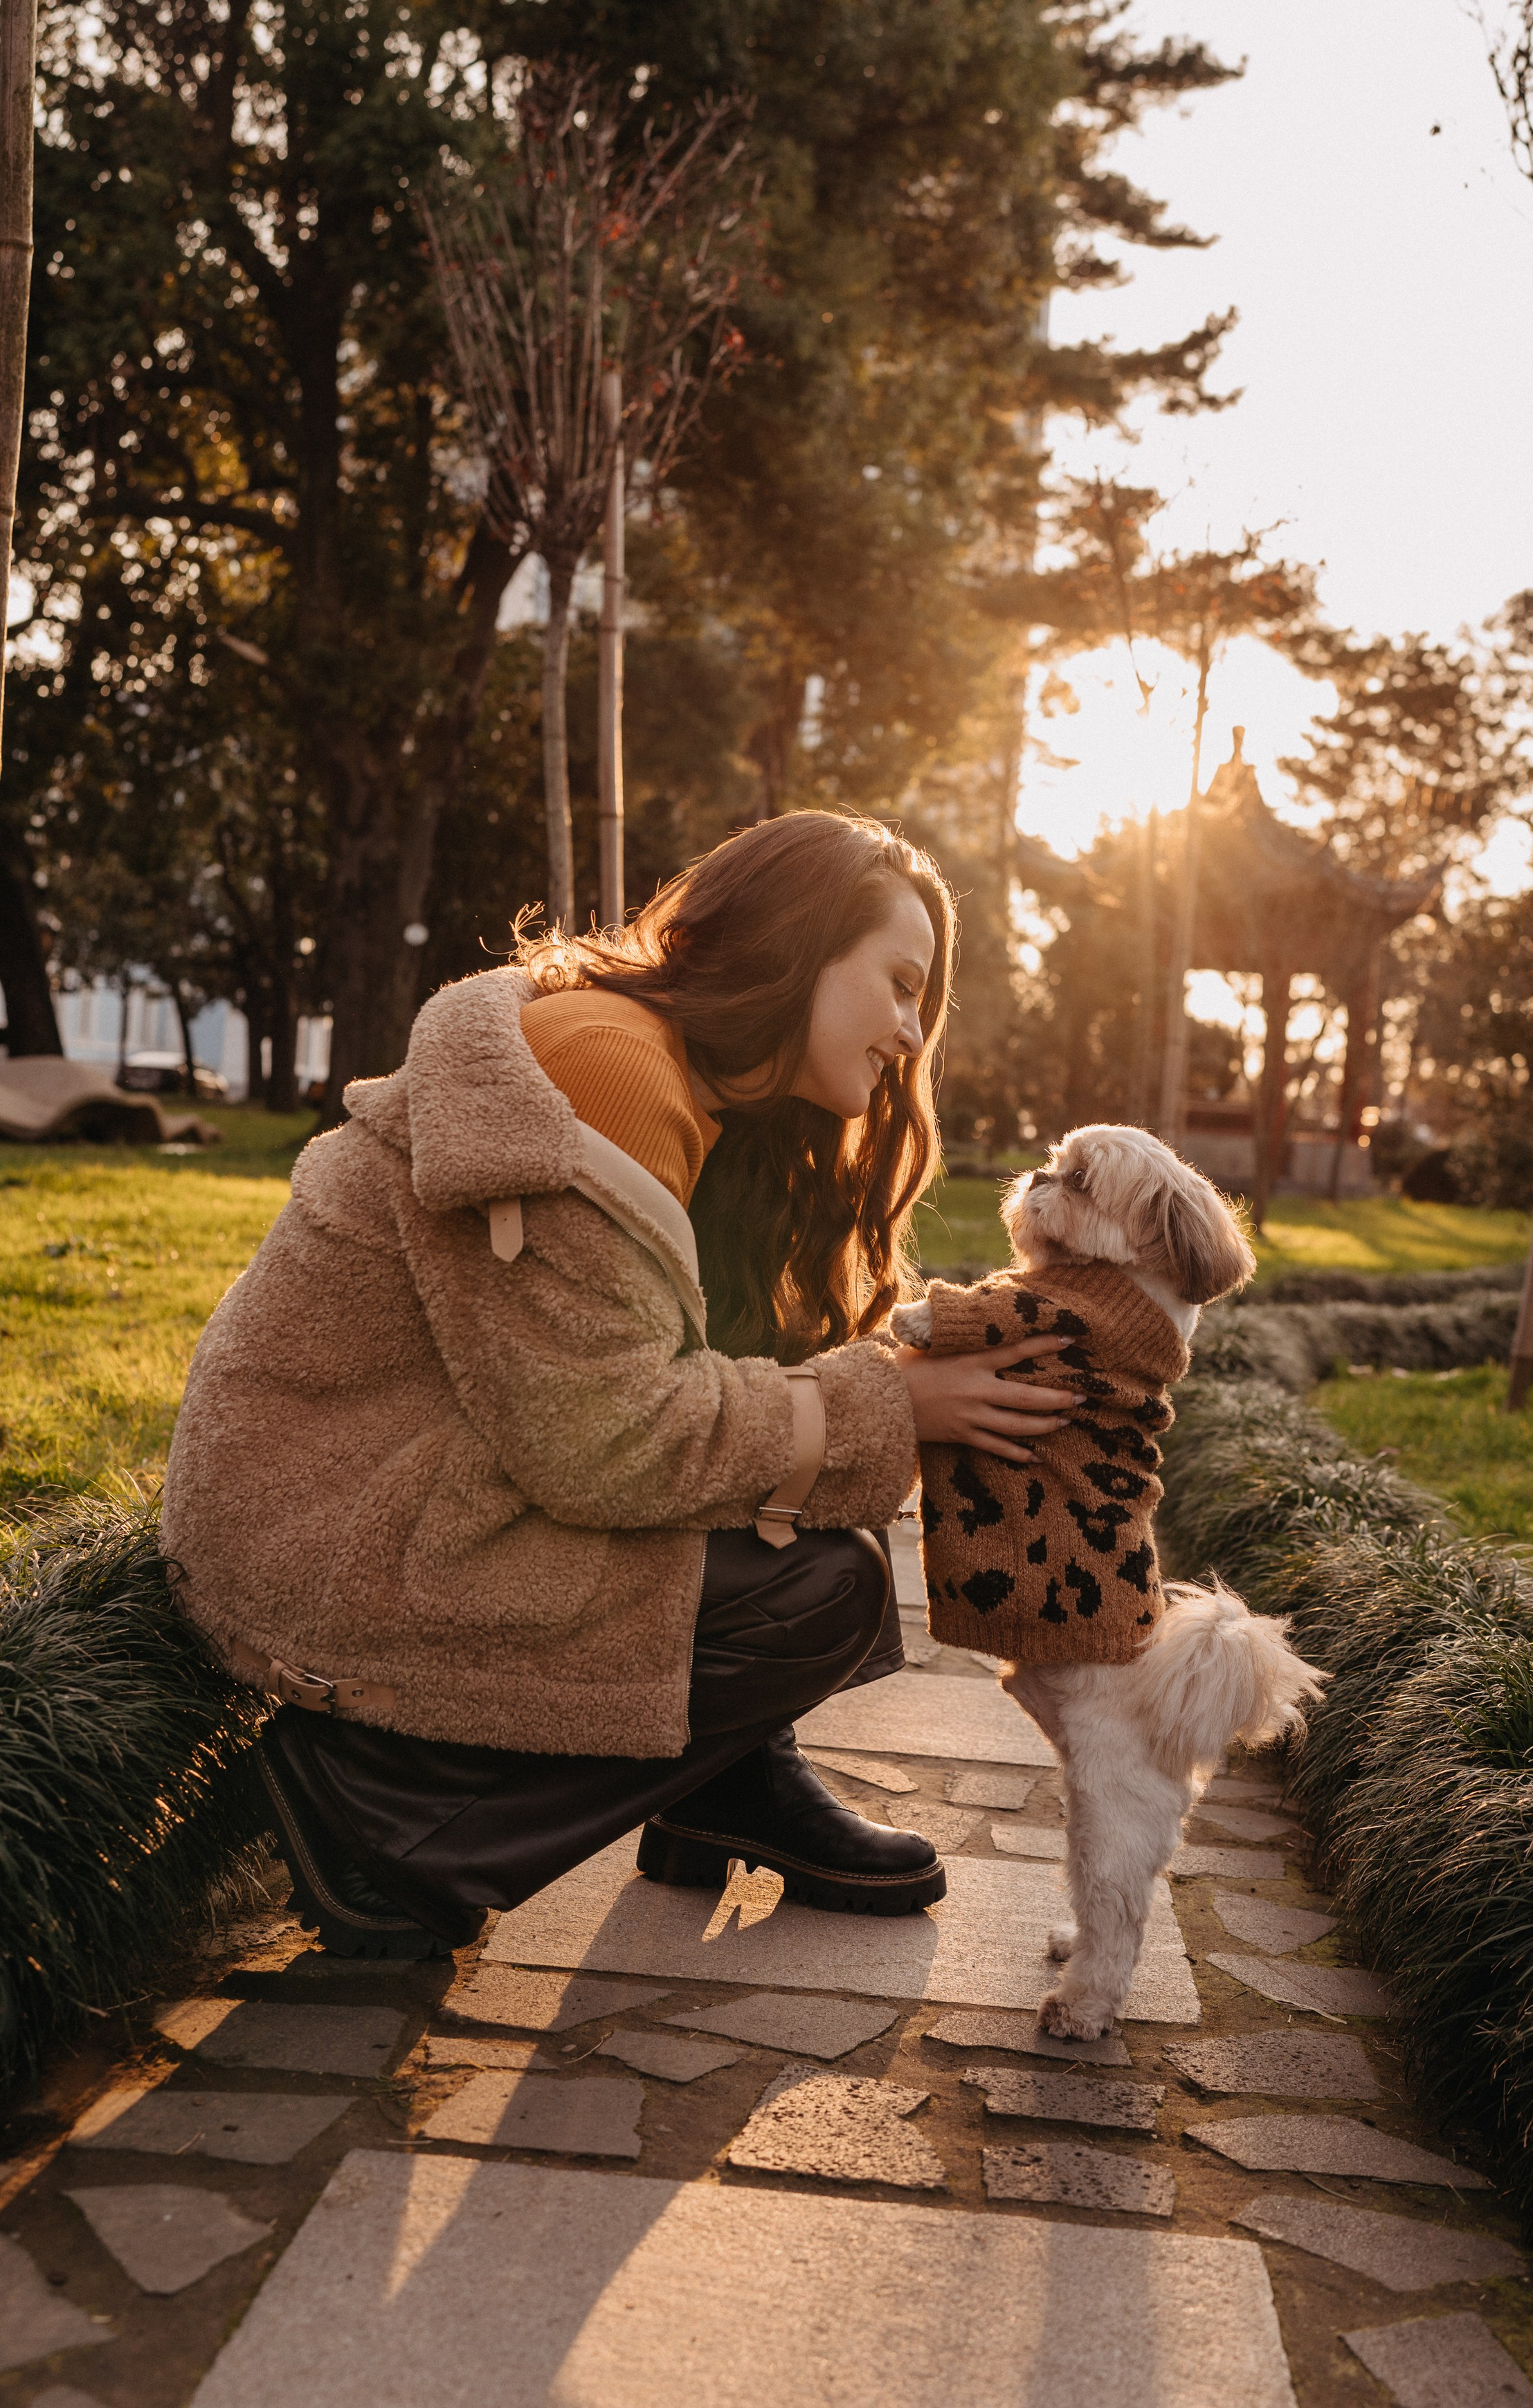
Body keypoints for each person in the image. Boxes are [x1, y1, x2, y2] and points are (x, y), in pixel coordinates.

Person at [160, 812, 1079, 1957]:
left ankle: (723, 1784)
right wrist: (894, 1405)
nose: (908, 1033)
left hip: (408, 1488)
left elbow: (672, 1386)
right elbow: (606, 1441)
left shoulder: (702, 1092)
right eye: (898, 985)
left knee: (806, 1500)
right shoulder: (612, 1069)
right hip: (322, 1531)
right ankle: (386, 1806)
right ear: (797, 947)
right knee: (820, 1585)